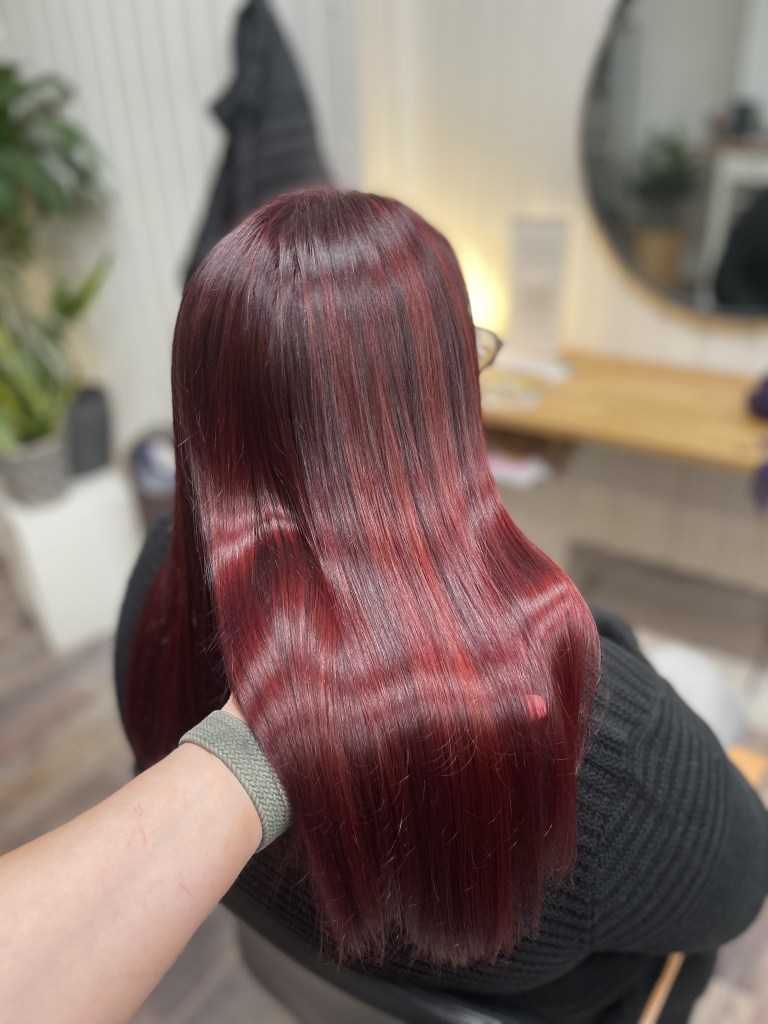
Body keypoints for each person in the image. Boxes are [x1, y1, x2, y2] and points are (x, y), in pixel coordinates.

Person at [114, 188, 767, 1024]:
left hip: (314, 982)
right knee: (700, 685)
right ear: (440, 401)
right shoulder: (597, 748)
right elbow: (742, 886)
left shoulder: (153, 599)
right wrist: (592, 643)